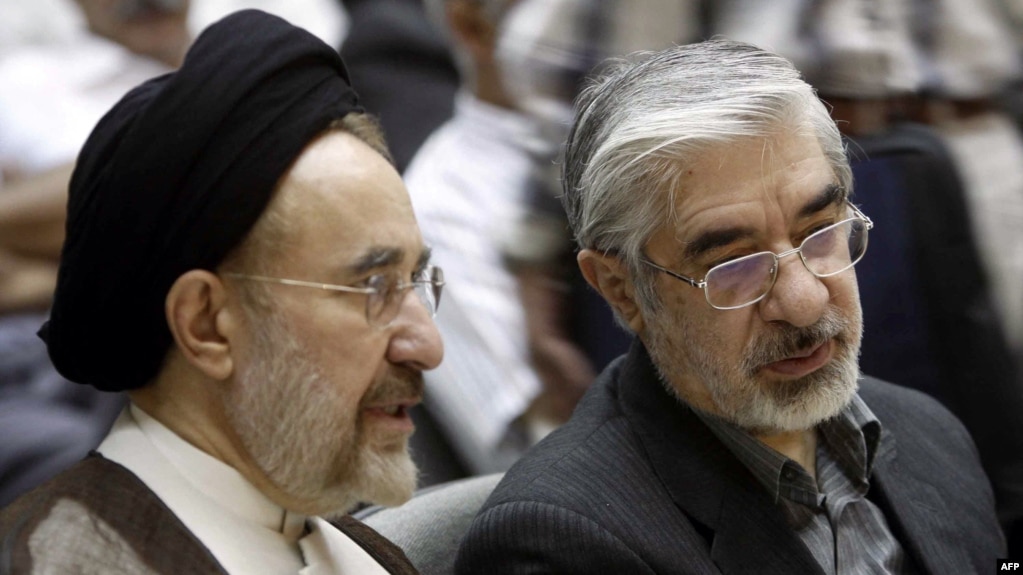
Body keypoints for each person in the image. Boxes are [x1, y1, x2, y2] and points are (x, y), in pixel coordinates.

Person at [456, 39, 1004, 574]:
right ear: (621, 288)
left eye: (820, 233)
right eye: (736, 265)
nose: (805, 301)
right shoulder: (560, 542)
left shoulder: (930, 432)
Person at [0, 9, 444, 574]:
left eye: (416, 282)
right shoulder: (71, 560)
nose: (428, 346)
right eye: (372, 287)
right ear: (206, 324)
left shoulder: (355, 545)